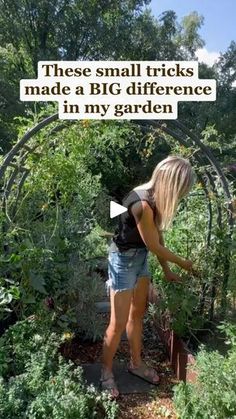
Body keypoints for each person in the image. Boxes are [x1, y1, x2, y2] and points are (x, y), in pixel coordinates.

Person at [100, 155, 196, 398]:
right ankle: (106, 373)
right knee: (117, 323)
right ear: (173, 184)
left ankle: (135, 363)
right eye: (182, 190)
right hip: (122, 260)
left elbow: (156, 240)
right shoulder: (143, 204)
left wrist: (167, 270)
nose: (182, 196)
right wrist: (183, 263)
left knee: (137, 314)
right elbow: (155, 246)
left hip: (140, 258)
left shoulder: (154, 198)